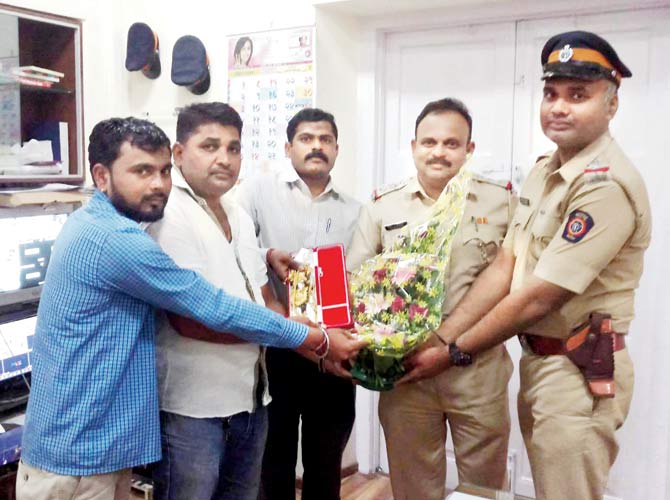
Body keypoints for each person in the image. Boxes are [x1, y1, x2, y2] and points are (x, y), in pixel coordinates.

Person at [16, 116, 363, 500]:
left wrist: (265, 256)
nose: (158, 184)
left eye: (162, 171)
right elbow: (207, 307)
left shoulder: (226, 213)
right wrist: (314, 338)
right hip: (75, 454)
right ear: (101, 176)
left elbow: (240, 278)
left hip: (111, 445)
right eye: (142, 171)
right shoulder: (117, 239)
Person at [401, 32, 651, 500]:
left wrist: (452, 353)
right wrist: (442, 336)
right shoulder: (545, 171)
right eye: (551, 93)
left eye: (579, 95)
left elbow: (539, 295)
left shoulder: (604, 185)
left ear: (612, 105)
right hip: (542, 363)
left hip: (579, 370)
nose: (559, 107)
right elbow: (505, 264)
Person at [346, 98, 514, 500]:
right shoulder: (383, 206)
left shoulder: (501, 203)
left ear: (469, 150)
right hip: (406, 375)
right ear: (413, 146)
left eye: (452, 144)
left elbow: (512, 282)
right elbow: (355, 278)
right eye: (429, 142)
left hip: (477, 371)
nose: (439, 152)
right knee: (413, 485)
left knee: (482, 488)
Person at [237, 108, 361, 500]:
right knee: (273, 460)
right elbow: (236, 251)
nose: (317, 147)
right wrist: (269, 251)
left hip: (332, 349)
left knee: (326, 462)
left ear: (337, 150)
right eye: (307, 139)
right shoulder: (258, 193)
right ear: (289, 147)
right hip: (277, 345)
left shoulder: (355, 209)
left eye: (325, 140)